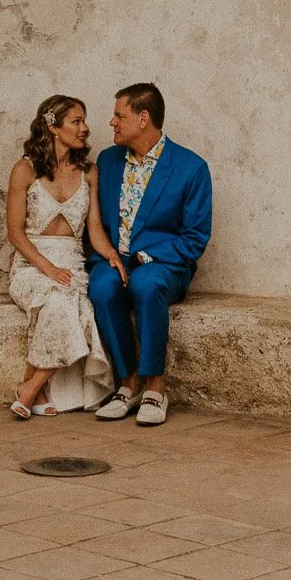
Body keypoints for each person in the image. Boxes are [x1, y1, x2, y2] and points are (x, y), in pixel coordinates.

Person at [88, 82, 212, 426]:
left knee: (145, 285)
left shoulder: (191, 168)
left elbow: (195, 237)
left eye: (119, 115)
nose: (111, 122)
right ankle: (126, 385)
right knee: (101, 287)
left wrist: (146, 256)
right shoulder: (108, 160)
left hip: (165, 265)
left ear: (144, 118)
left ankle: (156, 387)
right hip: (114, 260)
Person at [5, 94, 124, 418]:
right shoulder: (24, 169)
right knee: (62, 300)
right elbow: (15, 232)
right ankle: (33, 389)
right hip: (32, 265)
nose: (85, 128)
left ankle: (31, 386)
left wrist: (111, 254)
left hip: (72, 263)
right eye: (77, 121)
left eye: (84, 121)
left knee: (72, 300)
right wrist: (47, 267)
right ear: (54, 127)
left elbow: (94, 229)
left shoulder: (89, 172)